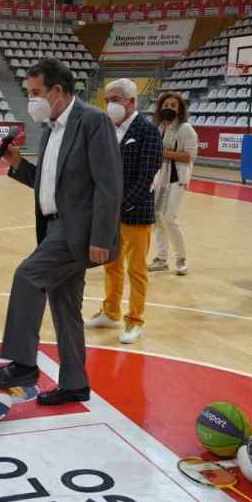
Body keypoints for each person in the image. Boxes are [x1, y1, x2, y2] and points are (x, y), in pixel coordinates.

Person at [0, 58, 122, 406]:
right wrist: (18, 166)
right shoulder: (50, 129)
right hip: (55, 228)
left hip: (80, 231)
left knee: (27, 276)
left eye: (36, 92)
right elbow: (50, 186)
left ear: (58, 91)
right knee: (65, 307)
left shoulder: (93, 121)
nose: (32, 100)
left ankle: (25, 364)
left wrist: (102, 237)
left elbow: (108, 184)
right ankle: (75, 384)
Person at [85, 79, 163, 345]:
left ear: (131, 101)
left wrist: (121, 203)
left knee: (137, 270)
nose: (110, 105)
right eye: (107, 100)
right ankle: (110, 311)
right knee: (111, 265)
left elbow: (147, 176)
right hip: (109, 214)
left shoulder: (148, 131)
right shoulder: (107, 129)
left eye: (115, 99)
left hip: (136, 211)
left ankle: (135, 320)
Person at [148, 91, 198, 276]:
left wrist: (163, 153)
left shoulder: (185, 129)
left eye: (173, 105)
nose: (169, 108)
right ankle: (161, 258)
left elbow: (189, 156)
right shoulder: (158, 127)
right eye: (166, 105)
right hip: (159, 179)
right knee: (157, 218)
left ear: (180, 110)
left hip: (177, 179)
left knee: (169, 217)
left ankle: (181, 258)